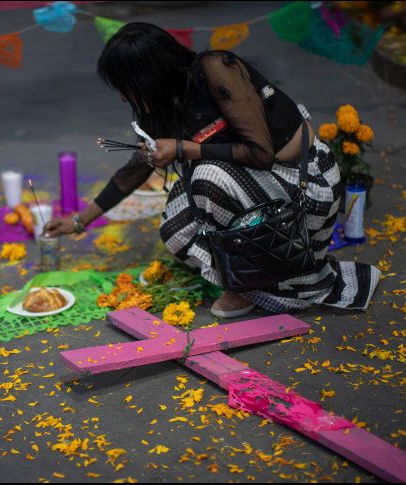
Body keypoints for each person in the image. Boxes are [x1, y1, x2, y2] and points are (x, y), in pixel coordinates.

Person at [44, 22, 380, 317]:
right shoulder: (163, 106)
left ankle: (252, 284)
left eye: (125, 88)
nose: (123, 99)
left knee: (206, 178)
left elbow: (261, 153)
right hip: (261, 192)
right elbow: (136, 167)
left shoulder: (216, 68)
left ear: (148, 78)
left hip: (305, 188)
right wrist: (80, 220)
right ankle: (255, 280)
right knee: (177, 225)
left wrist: (184, 148)